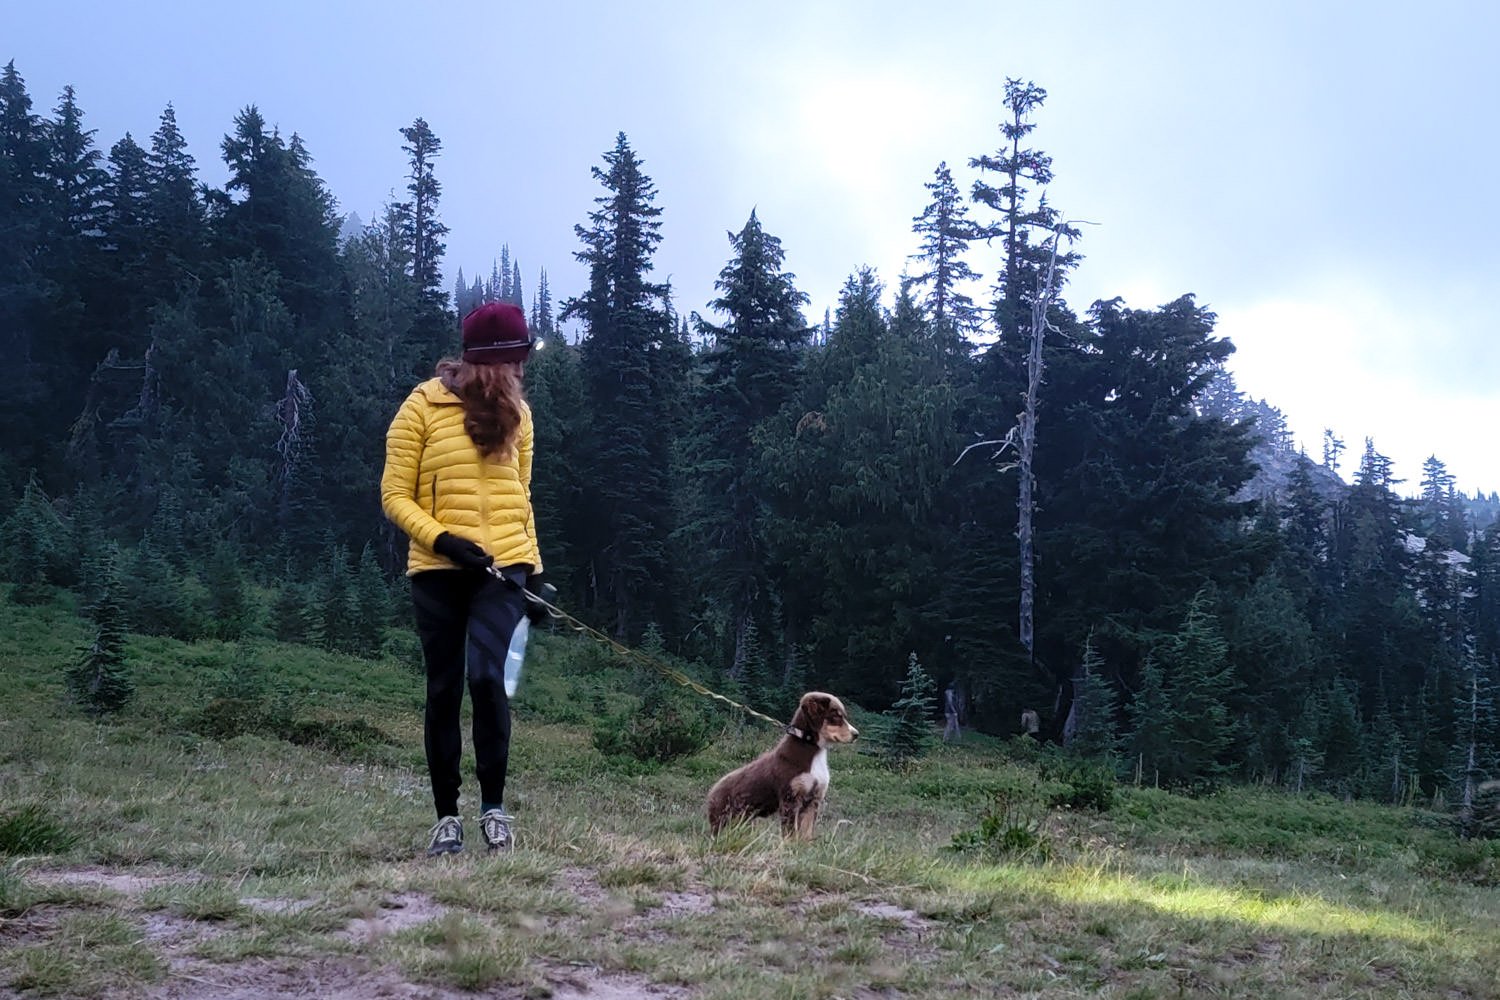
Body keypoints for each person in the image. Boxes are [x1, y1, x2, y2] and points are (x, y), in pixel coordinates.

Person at [381, 301, 549, 856]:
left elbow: (520, 500)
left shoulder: (520, 417)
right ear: (491, 363)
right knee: (445, 686)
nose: (523, 371)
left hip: (503, 569)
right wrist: (443, 540)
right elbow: (394, 496)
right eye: (517, 360)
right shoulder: (421, 408)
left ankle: (493, 809)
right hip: (437, 570)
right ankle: (446, 817)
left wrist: (536, 576)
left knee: (487, 678)